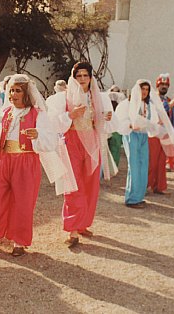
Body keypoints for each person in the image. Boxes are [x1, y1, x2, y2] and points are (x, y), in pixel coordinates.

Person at [0, 75, 58, 256]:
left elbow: (51, 141)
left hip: (26, 161)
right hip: (4, 158)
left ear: (26, 93)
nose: (13, 94)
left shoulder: (38, 114)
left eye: (18, 90)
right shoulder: (5, 112)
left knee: (23, 202)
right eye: (11, 90)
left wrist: (37, 135)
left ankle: (19, 242)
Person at [47, 62, 111, 247]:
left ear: (91, 78)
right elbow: (54, 124)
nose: (82, 79)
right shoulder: (62, 98)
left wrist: (105, 119)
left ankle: (83, 224)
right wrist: (70, 115)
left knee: (91, 185)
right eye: (79, 76)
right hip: (72, 142)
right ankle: (72, 229)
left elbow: (103, 125)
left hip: (92, 142)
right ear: (73, 78)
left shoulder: (98, 98)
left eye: (85, 75)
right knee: (73, 185)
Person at [114, 79, 174, 209]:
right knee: (134, 166)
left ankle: (139, 197)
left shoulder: (149, 105)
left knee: (144, 165)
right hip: (131, 136)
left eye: (146, 90)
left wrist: (157, 126)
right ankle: (131, 198)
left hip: (144, 136)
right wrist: (130, 125)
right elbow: (119, 122)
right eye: (142, 89)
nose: (144, 92)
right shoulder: (127, 104)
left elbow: (152, 121)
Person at [148, 74, 172, 194]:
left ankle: (158, 186)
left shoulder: (168, 100)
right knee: (151, 161)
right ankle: (146, 185)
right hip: (153, 134)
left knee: (161, 161)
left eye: (166, 85)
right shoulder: (152, 99)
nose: (163, 87)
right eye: (161, 84)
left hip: (164, 134)